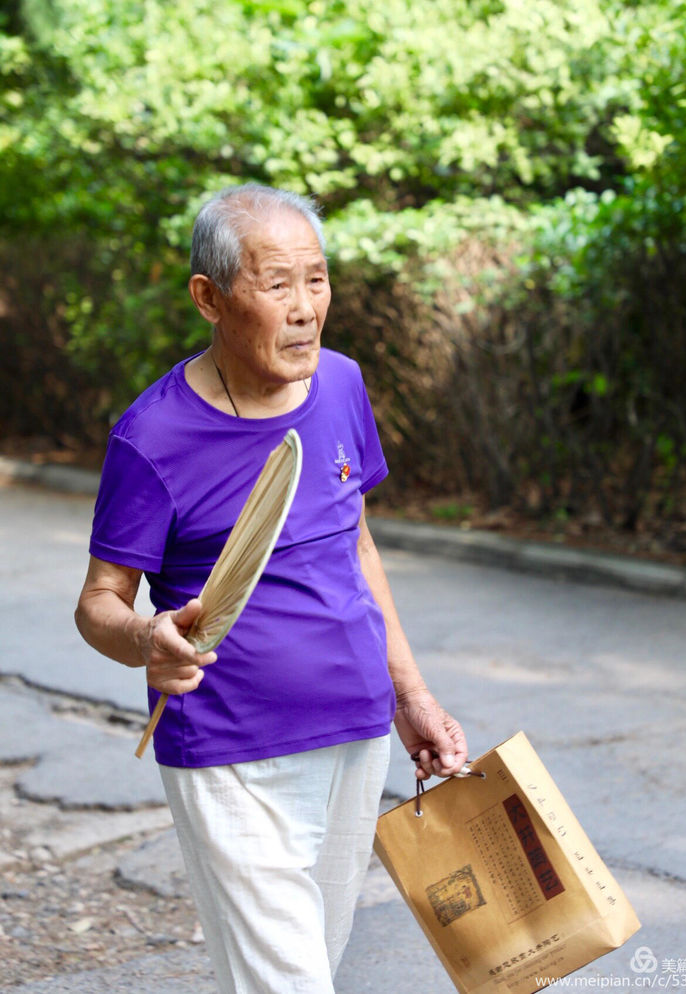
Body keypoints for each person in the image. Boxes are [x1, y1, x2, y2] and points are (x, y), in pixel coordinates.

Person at [75, 182, 468, 994]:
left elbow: (355, 544)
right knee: (290, 983)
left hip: (353, 729)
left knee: (303, 968)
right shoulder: (152, 436)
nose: (304, 308)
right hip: (228, 748)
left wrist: (412, 697)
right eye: (276, 282)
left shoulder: (342, 386)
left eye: (316, 280)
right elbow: (98, 603)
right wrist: (145, 640)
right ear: (209, 298)